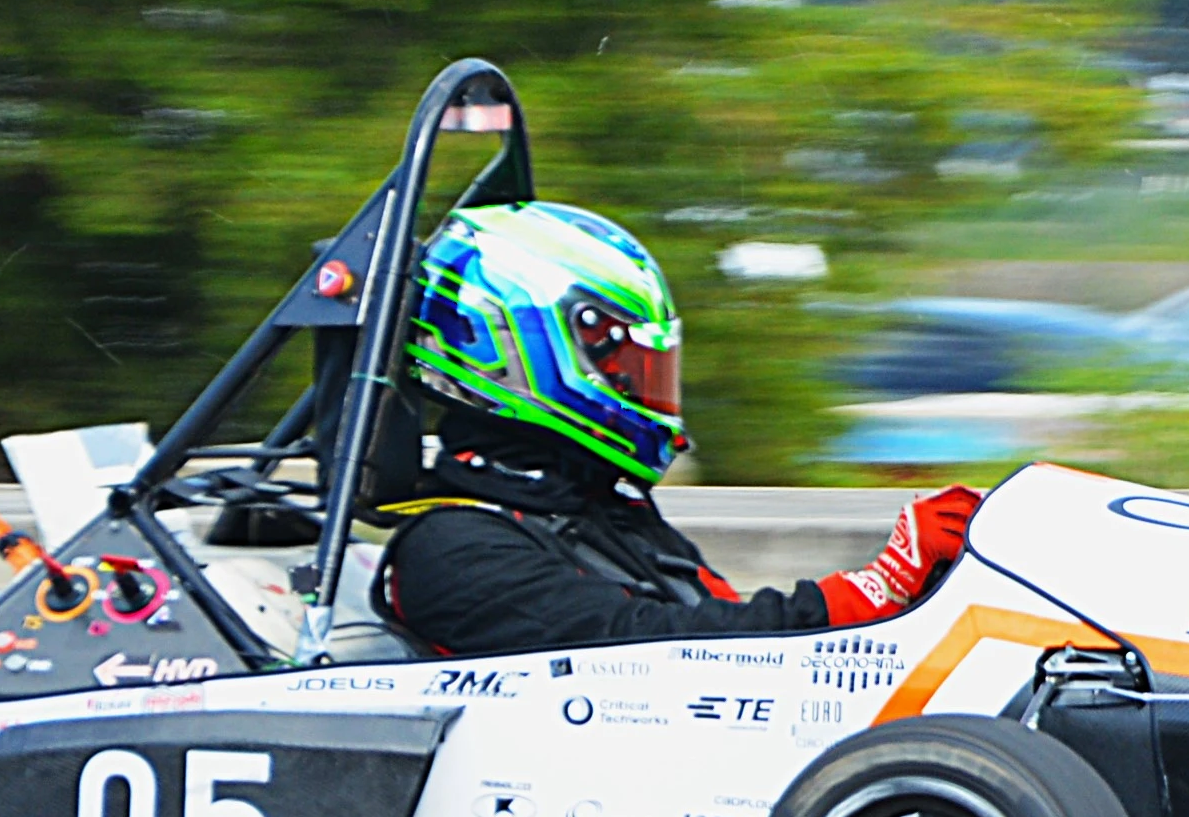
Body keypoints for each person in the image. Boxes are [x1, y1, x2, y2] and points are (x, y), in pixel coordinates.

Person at [368, 200, 976, 659]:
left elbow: (728, 621)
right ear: (518, 354)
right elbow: (651, 651)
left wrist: (910, 601)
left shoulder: (601, 514)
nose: (644, 384)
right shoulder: (452, 548)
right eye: (624, 361)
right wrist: (870, 589)